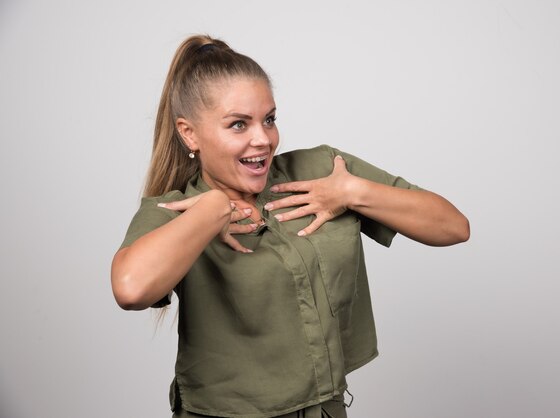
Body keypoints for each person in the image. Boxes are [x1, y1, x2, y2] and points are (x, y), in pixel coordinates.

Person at [111, 34, 469, 418]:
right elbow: (131, 289)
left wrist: (353, 191)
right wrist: (211, 210)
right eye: (238, 125)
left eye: (269, 120)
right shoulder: (175, 210)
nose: (262, 139)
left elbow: (452, 227)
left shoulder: (322, 171)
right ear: (189, 133)